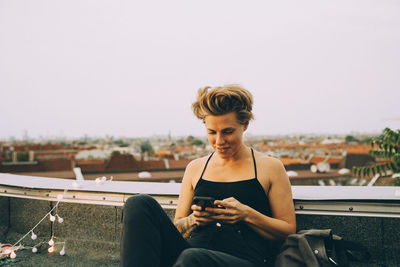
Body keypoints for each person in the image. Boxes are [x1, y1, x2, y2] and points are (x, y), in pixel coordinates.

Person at [120, 84, 296, 267]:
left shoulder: (270, 167)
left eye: (228, 131)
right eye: (212, 132)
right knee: (138, 203)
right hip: (189, 256)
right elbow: (178, 227)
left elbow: (288, 231)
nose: (219, 141)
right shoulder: (195, 168)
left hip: (244, 260)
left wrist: (246, 214)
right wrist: (194, 220)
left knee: (192, 258)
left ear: (245, 125)